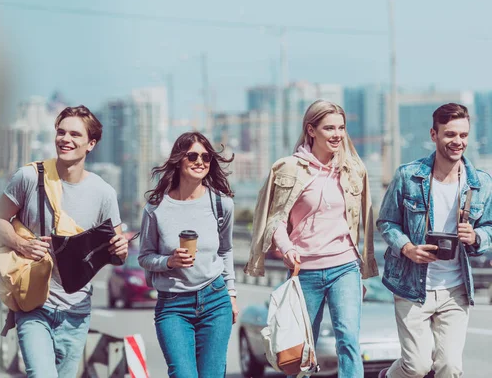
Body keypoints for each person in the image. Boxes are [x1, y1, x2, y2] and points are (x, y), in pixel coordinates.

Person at [0, 105, 129, 377]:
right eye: (61, 132)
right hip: (33, 304)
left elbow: (116, 253)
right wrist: (21, 244)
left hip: (76, 311)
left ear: (91, 143)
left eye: (75, 134)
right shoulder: (29, 177)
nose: (66, 139)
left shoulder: (104, 193)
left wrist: (121, 249)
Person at [245, 100, 379, 377]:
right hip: (304, 271)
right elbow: (276, 219)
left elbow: (361, 222)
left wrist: (360, 270)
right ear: (311, 130)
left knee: (349, 341)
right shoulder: (289, 169)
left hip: (344, 267)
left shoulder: (353, 170)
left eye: (341, 128)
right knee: (303, 349)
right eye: (329, 128)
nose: (337, 134)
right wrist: (286, 247)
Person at [377, 103, 492, 378]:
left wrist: (477, 237)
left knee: (450, 368)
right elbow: (386, 222)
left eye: (463, 135)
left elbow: (489, 226)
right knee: (417, 367)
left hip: (456, 289)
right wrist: (407, 248)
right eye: (450, 134)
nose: (458, 142)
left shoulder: (481, 184)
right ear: (434, 134)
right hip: (411, 286)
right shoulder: (408, 176)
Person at [138, 131, 237, 378]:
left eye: (206, 157)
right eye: (192, 155)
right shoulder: (156, 207)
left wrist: (232, 293)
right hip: (173, 306)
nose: (200, 161)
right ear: (179, 159)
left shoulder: (221, 204)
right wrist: (169, 261)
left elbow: (225, 251)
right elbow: (145, 256)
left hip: (215, 300)